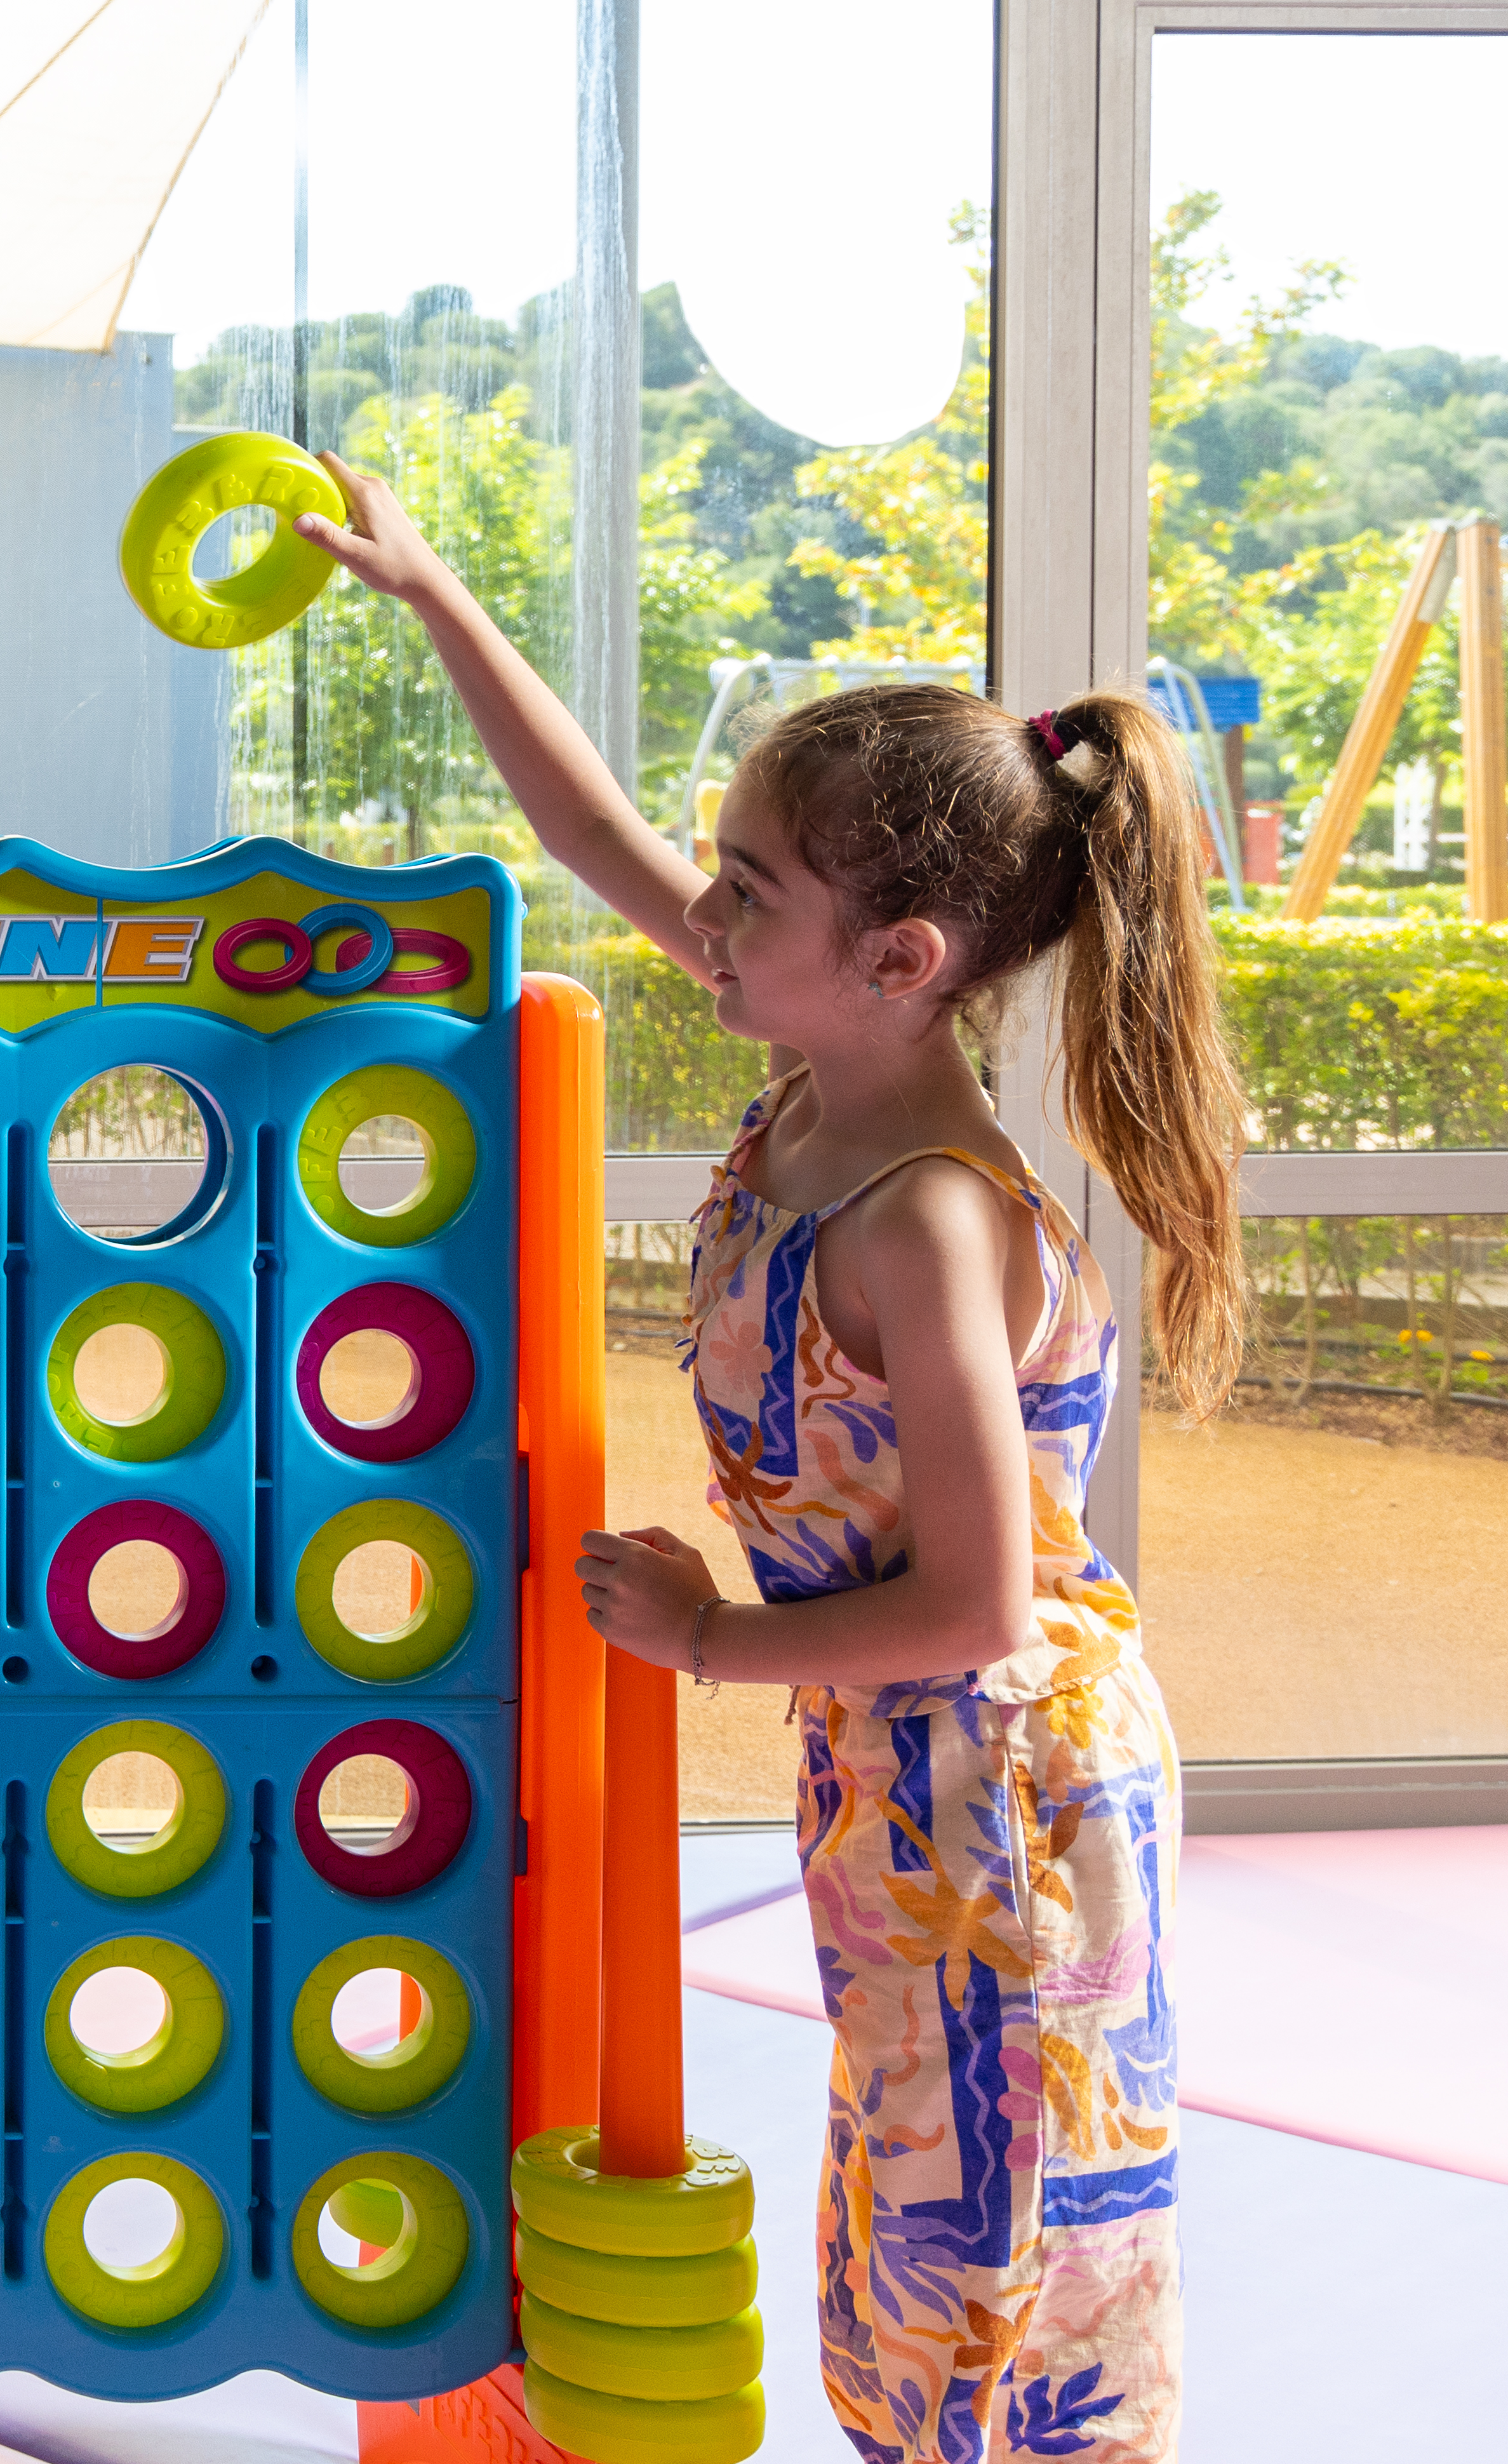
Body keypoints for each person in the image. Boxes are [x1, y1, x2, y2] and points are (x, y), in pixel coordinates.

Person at [297, 461, 1232, 2461]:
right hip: (893, 1787)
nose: (696, 914)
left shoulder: (921, 1212)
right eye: (719, 873)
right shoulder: (815, 1065)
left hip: (1001, 1806)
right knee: (906, 2227)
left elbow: (984, 1599)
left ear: (902, 960)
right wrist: (434, 597)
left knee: (990, 2268)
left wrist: (709, 1641)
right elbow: (592, 835)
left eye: (746, 893)